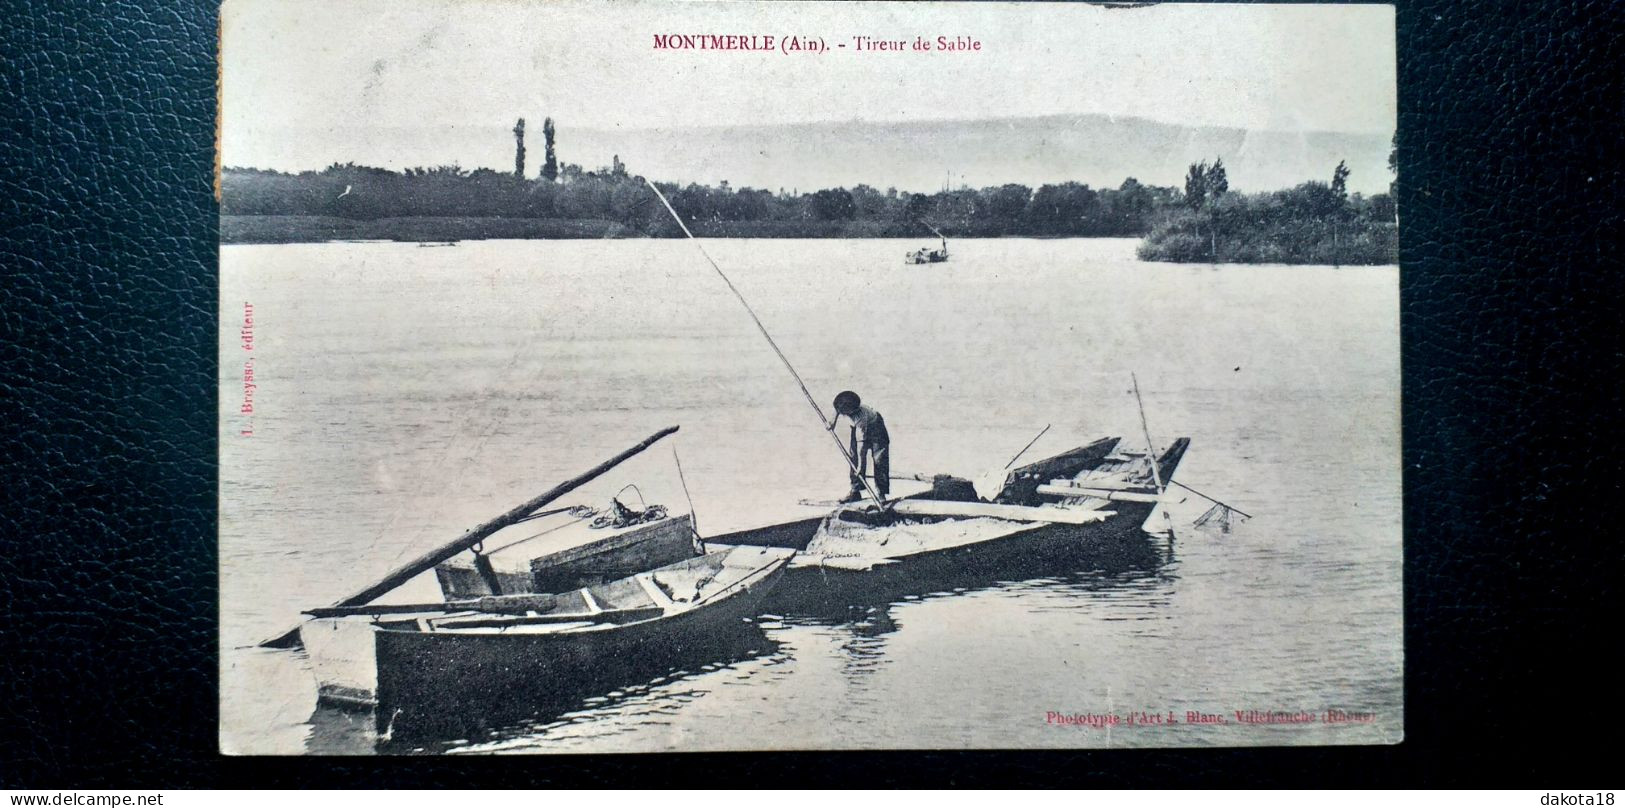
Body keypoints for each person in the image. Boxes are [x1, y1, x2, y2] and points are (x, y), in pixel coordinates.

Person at [828, 390, 890, 503]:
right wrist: (832, 422)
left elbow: (862, 448)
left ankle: (881, 494)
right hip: (856, 428)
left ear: (851, 411)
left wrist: (861, 467)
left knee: (879, 460)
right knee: (853, 457)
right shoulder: (842, 404)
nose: (841, 413)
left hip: (876, 428)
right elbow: (837, 409)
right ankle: (855, 491)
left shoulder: (860, 417)